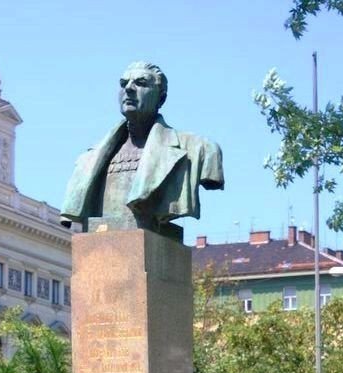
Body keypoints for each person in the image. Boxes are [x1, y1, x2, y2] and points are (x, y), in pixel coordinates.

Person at [61, 62, 224, 241]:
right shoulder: (88, 160)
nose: (129, 89)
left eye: (141, 83)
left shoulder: (199, 150)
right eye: (124, 84)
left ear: (161, 98)